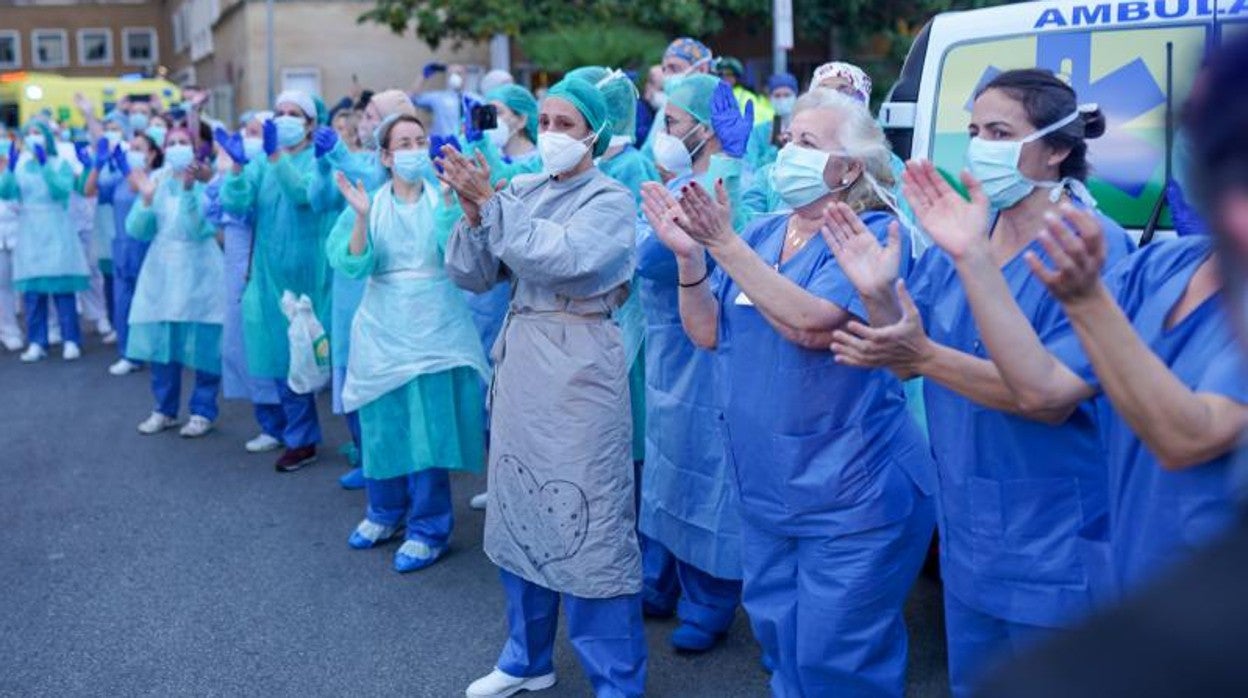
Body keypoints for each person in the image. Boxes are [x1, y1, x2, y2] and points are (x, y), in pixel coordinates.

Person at [826, 69, 1133, 695]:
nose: (979, 146)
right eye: (973, 131)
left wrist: (923, 355)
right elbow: (908, 344)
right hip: (971, 534)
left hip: (1056, 543)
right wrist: (878, 292)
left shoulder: (1093, 247)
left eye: (999, 131)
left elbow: (1045, 397)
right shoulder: (964, 238)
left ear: (1057, 148)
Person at [975, 34, 1248, 698]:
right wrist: (967, 254)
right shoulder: (1162, 265)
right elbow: (1042, 387)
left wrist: (1086, 300)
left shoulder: (1119, 271)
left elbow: (1188, 436)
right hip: (1137, 587)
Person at [644, 87, 935, 695]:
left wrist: (725, 245)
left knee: (839, 660)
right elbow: (704, 330)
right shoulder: (768, 230)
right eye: (788, 138)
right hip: (769, 489)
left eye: (808, 142)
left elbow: (810, 324)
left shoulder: (873, 235)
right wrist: (690, 258)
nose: (788, 152)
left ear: (849, 166)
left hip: (852, 493)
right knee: (783, 648)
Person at [441, 76, 645, 698]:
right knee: (519, 506)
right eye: (547, 121)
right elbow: (474, 275)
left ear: (598, 135)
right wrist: (476, 213)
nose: (551, 135)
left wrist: (495, 207)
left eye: (566, 124)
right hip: (523, 361)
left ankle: (616, 679)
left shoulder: (610, 200)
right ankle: (527, 658)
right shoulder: (523, 188)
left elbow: (568, 260)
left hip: (579, 367)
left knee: (589, 517)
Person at [326, 114, 489, 572]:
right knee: (384, 423)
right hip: (383, 326)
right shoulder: (369, 200)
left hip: (436, 323)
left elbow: (456, 253)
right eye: (404, 142)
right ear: (385, 155)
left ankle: (429, 527)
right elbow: (353, 264)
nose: (414, 148)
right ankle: (384, 511)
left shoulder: (443, 198)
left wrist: (449, 203)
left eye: (421, 140)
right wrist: (361, 217)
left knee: (429, 430)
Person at [633, 74, 748, 654]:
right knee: (671, 470)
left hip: (720, 351)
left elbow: (743, 233)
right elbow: (646, 258)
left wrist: (733, 163)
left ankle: (711, 601)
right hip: (669, 352)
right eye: (666, 119)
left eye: (676, 122)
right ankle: (662, 580)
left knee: (713, 475)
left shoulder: (735, 182)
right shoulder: (668, 185)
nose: (666, 132)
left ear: (707, 129)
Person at [220, 90, 333, 472]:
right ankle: (300, 439)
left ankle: (361, 443)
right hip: (270, 276)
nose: (284, 118)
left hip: (312, 275)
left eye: (294, 113)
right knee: (282, 355)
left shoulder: (320, 159)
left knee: (314, 355)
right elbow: (236, 205)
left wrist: (276, 158)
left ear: (311, 123)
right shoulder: (261, 163)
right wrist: (236, 169)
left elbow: (304, 194)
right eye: (279, 112)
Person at [123, 127, 224, 437]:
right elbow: (137, 229)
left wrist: (189, 190)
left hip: (200, 267)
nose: (178, 147)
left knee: (205, 339)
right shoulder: (158, 181)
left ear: (195, 149)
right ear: (164, 149)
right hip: (162, 269)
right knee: (163, 343)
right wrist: (146, 197)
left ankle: (203, 410)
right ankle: (164, 409)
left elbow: (198, 229)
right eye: (172, 143)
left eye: (184, 142)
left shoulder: (206, 183)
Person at [204, 114, 284, 453]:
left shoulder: (276, 170)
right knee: (243, 340)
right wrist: (231, 171)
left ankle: (291, 423)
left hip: (269, 261)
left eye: (257, 133)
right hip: (238, 263)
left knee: (275, 340)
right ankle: (269, 421)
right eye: (247, 131)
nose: (249, 138)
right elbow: (214, 211)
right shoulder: (233, 170)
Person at [0, 121, 90, 362]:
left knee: (62, 288)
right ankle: (37, 342)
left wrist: (44, 165)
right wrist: (8, 167)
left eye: (38, 132)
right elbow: (5, 192)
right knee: (33, 291)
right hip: (30, 228)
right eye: (28, 133)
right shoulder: (20, 166)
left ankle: (71, 339)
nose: (32, 137)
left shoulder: (59, 163)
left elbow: (61, 191)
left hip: (56, 225)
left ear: (48, 137)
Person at [745, 72, 798, 173]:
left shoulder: (804, 129)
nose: (782, 100)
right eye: (777, 96)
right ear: (770, 98)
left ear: (795, 96)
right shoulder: (758, 132)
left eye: (787, 95)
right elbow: (752, 167)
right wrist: (775, 148)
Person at [0, 127, 22, 351]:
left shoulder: (20, 167)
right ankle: (9, 331)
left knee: (29, 284)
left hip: (21, 234)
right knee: (2, 287)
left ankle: (44, 330)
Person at [414, 63, 469, 138]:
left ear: (465, 76)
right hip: (442, 144)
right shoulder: (438, 98)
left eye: (458, 73)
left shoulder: (474, 99)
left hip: (464, 145)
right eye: (451, 74)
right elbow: (413, 98)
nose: (455, 77)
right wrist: (423, 76)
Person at [716, 57, 773, 126]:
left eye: (729, 74)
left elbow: (761, 117)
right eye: (721, 74)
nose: (724, 78)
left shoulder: (746, 96)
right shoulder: (712, 93)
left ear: (736, 77)